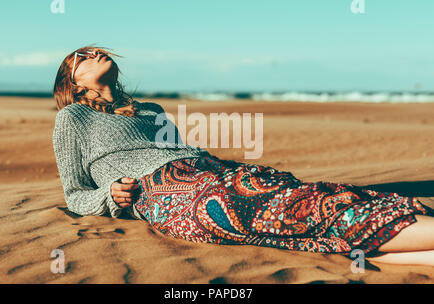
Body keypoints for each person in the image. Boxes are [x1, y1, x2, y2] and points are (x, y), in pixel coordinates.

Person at [52, 46, 434, 266]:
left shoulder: (151, 109)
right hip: (167, 192)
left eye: (96, 48)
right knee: (292, 215)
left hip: (215, 170)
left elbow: (185, 152)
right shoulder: (72, 118)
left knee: (306, 199)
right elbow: (75, 193)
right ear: (73, 82)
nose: (96, 52)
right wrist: (109, 196)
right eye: (82, 56)